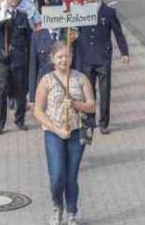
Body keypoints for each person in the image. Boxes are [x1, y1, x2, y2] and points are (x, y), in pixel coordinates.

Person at [33, 42, 96, 225]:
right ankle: (57, 206)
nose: (63, 60)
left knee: (71, 176)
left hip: (76, 133)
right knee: (57, 176)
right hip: (54, 133)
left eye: (67, 56)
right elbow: (38, 111)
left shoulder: (81, 78)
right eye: (60, 56)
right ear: (53, 58)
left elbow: (91, 105)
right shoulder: (46, 80)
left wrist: (76, 104)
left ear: (72, 57)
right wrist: (56, 129)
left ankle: (71, 212)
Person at [75, 0, 130, 135]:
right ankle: (89, 120)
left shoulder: (108, 12)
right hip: (86, 58)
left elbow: (118, 34)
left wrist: (124, 52)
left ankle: (104, 122)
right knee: (88, 92)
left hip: (103, 58)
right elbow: (75, 30)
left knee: (105, 92)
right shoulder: (81, 11)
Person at [0, 0, 32, 135]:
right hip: (3, 56)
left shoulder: (23, 15)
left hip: (20, 58)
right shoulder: (0, 13)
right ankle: (0, 121)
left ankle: (20, 119)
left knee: (21, 89)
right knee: (2, 89)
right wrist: (3, 10)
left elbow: (28, 39)